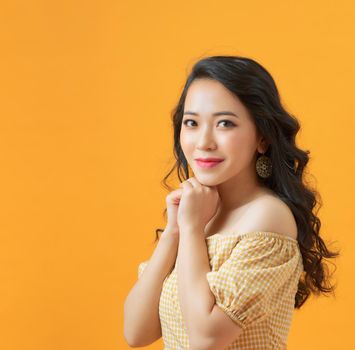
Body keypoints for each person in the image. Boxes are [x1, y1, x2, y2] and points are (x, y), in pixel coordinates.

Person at [123, 55, 339, 349]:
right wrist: (174, 232)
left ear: (262, 138)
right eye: (191, 123)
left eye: (225, 123)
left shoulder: (267, 216)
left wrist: (190, 230)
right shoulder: (198, 214)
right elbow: (136, 332)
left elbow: (205, 339)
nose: (203, 142)